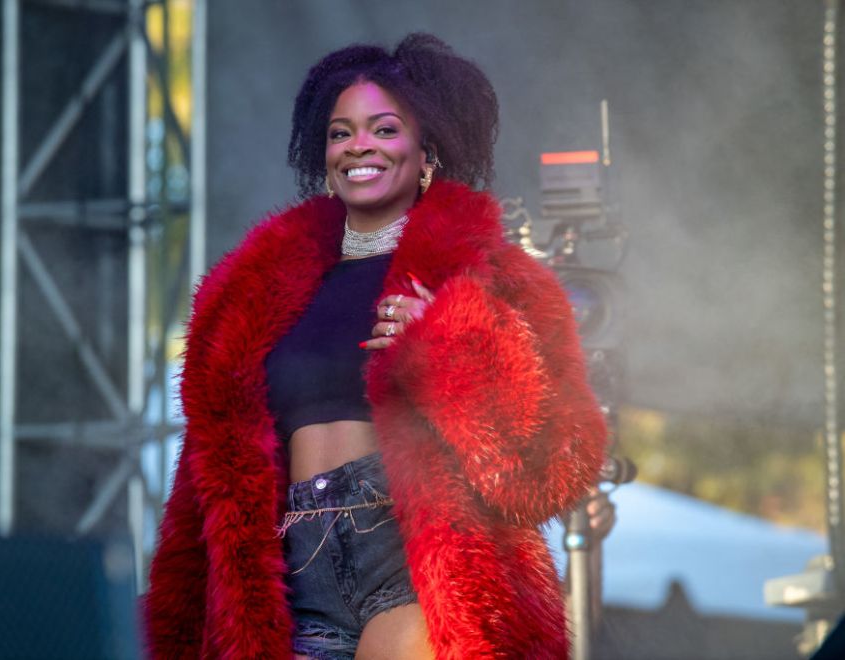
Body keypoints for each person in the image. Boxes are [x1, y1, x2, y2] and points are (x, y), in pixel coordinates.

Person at [144, 33, 607, 659]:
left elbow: (556, 467)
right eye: (340, 133)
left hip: (414, 555)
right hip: (288, 564)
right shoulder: (248, 294)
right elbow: (203, 489)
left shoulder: (494, 279)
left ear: (427, 152)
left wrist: (444, 338)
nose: (358, 145)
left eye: (384, 129)